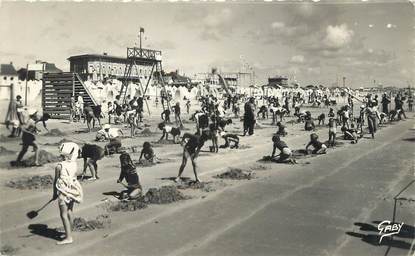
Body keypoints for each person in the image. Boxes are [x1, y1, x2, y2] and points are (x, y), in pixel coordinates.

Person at [52, 142, 83, 245]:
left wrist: (54, 194)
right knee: (69, 210)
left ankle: (69, 237)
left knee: (63, 214)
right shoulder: (74, 164)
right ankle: (70, 230)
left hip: (64, 192)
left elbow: (55, 181)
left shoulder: (59, 166)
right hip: (73, 190)